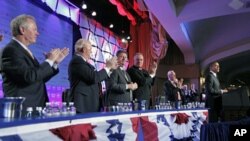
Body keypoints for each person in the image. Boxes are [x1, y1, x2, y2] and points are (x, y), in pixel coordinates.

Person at [1, 14, 69, 113]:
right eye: (34, 29)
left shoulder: (23, 50)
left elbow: (38, 79)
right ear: (22, 30)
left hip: (35, 108)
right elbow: (29, 76)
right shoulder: (11, 50)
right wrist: (48, 61)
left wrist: (54, 63)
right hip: (23, 110)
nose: (37, 33)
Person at [68, 38, 117, 113]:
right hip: (83, 105)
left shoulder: (84, 63)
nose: (91, 51)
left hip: (89, 103)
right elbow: (93, 77)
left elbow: (96, 78)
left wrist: (110, 69)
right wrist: (107, 67)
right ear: (84, 49)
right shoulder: (77, 61)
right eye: (90, 49)